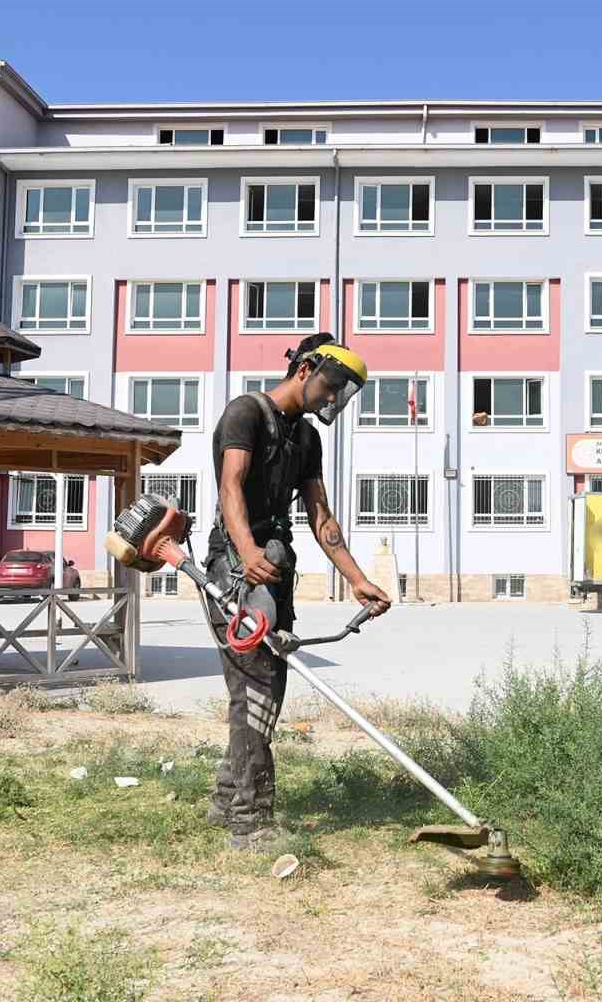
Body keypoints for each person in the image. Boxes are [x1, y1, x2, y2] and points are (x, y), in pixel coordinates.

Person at [205, 332, 392, 849]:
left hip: (276, 565)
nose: (333, 400)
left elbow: (320, 515)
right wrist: (246, 552)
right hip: (235, 568)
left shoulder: (307, 439)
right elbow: (230, 486)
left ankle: (227, 801)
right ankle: (248, 820)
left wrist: (357, 579)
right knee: (256, 685)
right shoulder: (246, 412)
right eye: (331, 387)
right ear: (305, 370)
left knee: (270, 685)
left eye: (342, 395)